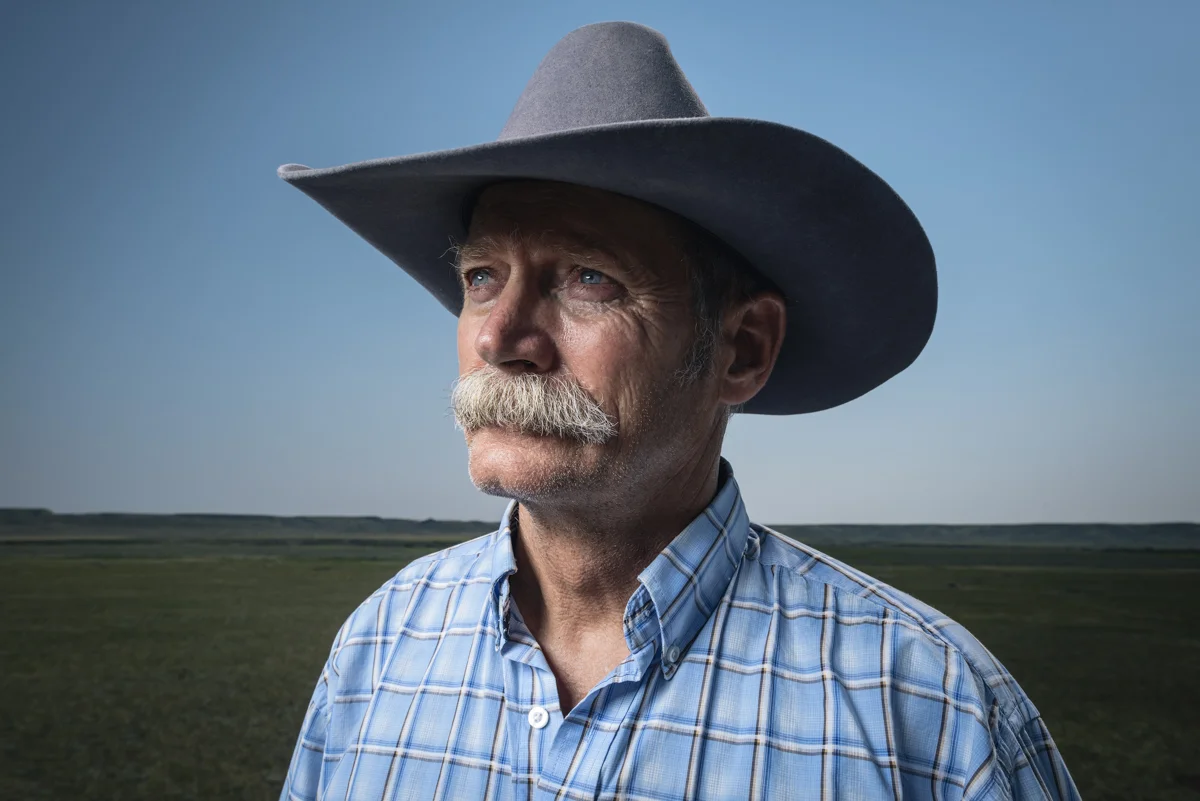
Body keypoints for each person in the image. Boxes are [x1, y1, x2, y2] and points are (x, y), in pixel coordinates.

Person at [276, 21, 1079, 801]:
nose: (499, 336)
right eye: (482, 275)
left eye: (589, 277)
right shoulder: (378, 646)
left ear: (743, 350)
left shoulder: (931, 711)